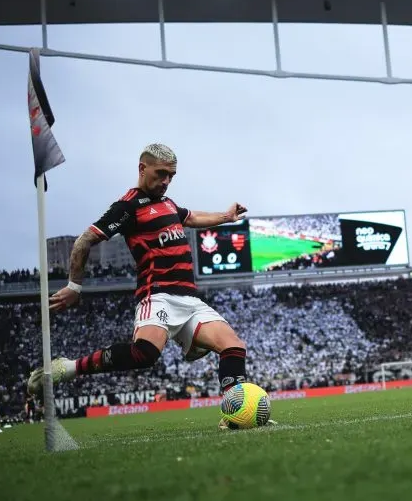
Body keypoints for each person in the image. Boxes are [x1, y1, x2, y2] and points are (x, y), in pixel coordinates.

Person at [27, 143, 262, 426]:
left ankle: (234, 416)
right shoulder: (127, 207)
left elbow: (193, 217)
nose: (165, 181)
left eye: (171, 176)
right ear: (142, 168)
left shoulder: (168, 204)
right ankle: (68, 368)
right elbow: (84, 240)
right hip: (158, 295)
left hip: (189, 300)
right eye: (161, 174)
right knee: (145, 354)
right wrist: (75, 287)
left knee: (233, 347)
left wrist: (226, 217)